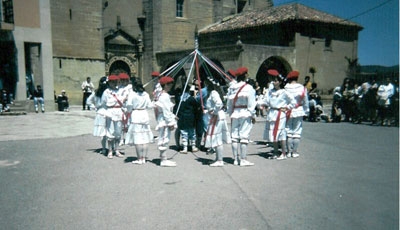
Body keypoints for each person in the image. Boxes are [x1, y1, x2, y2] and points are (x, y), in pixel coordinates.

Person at [257, 69, 296, 160]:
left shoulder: (284, 92)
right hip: (271, 114)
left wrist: (286, 108)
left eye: (275, 81)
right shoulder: (270, 92)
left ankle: (283, 153)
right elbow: (265, 100)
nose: (273, 83)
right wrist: (259, 104)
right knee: (272, 133)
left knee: (281, 133)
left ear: (280, 82)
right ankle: (275, 152)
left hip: (279, 114)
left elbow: (293, 102)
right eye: (273, 81)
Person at [226, 67, 256, 166]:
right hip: (245, 112)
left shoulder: (232, 88)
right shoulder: (249, 88)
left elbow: (229, 103)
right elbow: (251, 103)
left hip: (235, 113)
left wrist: (230, 113)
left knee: (234, 136)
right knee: (244, 136)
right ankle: (243, 159)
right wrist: (253, 115)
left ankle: (235, 159)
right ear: (246, 75)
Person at [204, 80, 231, 167]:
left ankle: (220, 160)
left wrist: (214, 111)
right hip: (217, 116)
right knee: (216, 137)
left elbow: (219, 103)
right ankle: (217, 158)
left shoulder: (213, 93)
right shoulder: (213, 93)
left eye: (206, 84)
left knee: (217, 138)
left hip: (217, 117)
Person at [125, 83, 154, 165]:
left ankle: (139, 158)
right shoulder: (146, 94)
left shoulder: (132, 94)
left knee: (138, 138)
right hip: (144, 114)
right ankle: (144, 158)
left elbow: (129, 105)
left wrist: (128, 111)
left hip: (136, 114)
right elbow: (149, 106)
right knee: (145, 138)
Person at [154, 76, 178, 167]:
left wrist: (173, 116)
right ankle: (163, 160)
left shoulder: (161, 95)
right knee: (164, 138)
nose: (170, 86)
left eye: (171, 84)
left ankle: (164, 158)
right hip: (164, 121)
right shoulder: (165, 96)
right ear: (164, 85)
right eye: (168, 84)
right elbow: (166, 111)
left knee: (164, 138)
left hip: (163, 119)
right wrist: (171, 123)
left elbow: (167, 111)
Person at [284, 71, 309, 158]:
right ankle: (294, 152)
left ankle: (288, 151)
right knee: (297, 131)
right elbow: (306, 101)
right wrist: (306, 111)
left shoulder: (286, 88)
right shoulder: (302, 88)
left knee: (288, 131)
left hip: (289, 110)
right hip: (299, 110)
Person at [102, 75, 124, 159]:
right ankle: (110, 150)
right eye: (112, 82)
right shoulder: (106, 92)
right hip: (110, 112)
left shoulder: (120, 91)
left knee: (118, 133)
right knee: (110, 132)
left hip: (118, 112)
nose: (114, 83)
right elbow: (104, 103)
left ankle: (117, 149)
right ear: (109, 82)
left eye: (116, 81)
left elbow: (123, 101)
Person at [87, 77, 108, 155]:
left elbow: (88, 101)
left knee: (104, 132)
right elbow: (88, 101)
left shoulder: (96, 92)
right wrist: (95, 107)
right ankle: (108, 148)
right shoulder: (107, 92)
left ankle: (104, 148)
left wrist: (94, 107)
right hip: (106, 112)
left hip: (101, 112)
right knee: (107, 131)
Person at [175, 85, 199, 154]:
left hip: (182, 117)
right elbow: (196, 107)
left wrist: (176, 115)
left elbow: (177, 108)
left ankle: (185, 148)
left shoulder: (180, 99)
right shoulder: (191, 99)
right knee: (192, 132)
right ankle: (193, 146)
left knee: (184, 133)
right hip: (191, 117)